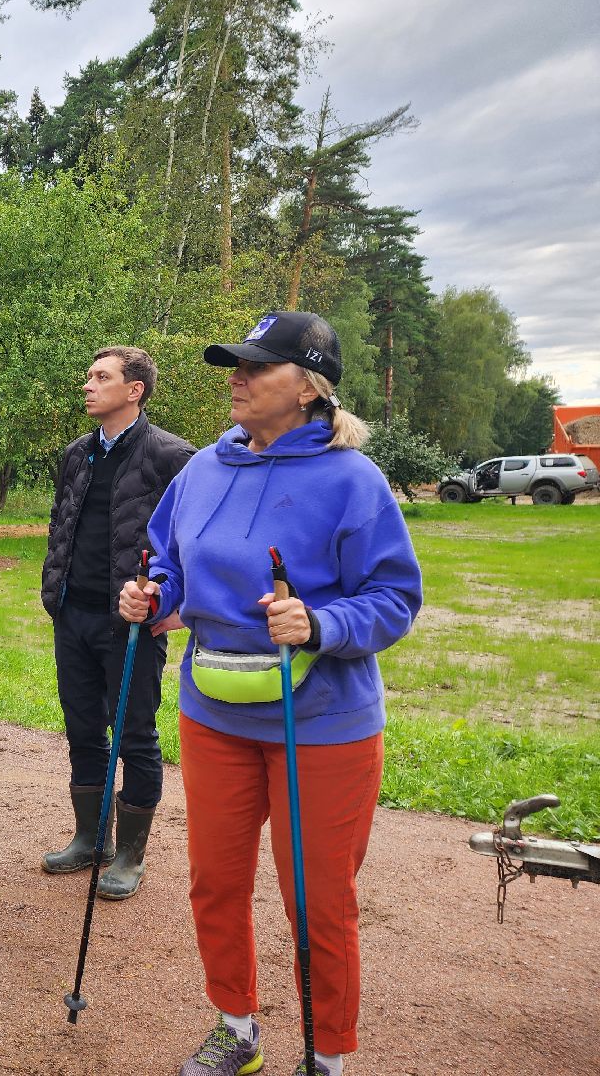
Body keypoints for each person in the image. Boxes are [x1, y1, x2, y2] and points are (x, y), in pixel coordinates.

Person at [116, 312, 422, 1076]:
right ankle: (236, 1028)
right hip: (213, 711)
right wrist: (153, 596)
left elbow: (394, 597)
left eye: (257, 366)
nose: (237, 377)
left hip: (322, 723)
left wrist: (317, 621)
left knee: (317, 901)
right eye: (235, 364)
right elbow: (168, 562)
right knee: (215, 880)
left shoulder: (354, 479)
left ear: (310, 387)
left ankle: (328, 1055)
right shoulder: (202, 470)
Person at [39, 346, 194, 899]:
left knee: (135, 737)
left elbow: (194, 543)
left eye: (101, 377)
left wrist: (173, 611)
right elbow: (63, 525)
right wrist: (55, 594)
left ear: (135, 390)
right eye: (88, 375)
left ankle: (130, 855)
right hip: (73, 615)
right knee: (82, 730)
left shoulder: (172, 457)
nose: (88, 385)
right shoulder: (75, 455)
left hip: (131, 625)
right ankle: (91, 837)